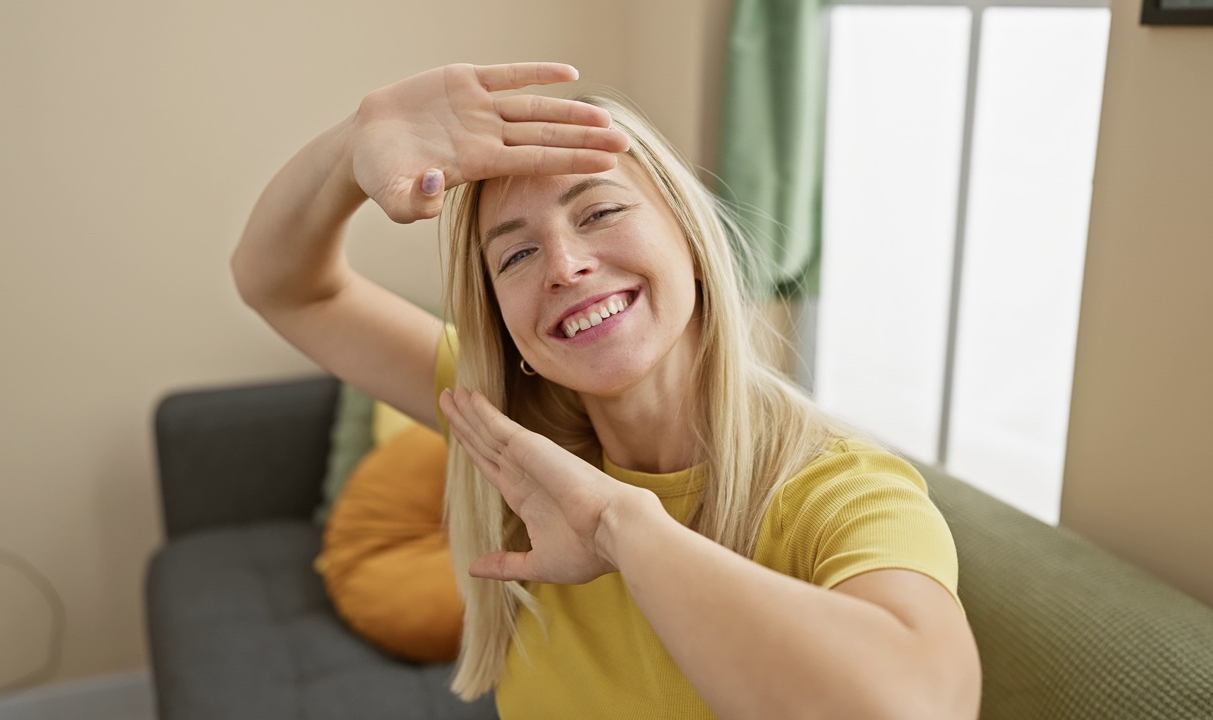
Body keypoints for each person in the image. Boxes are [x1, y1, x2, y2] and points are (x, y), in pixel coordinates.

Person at [232, 62, 981, 719]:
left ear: (689, 243)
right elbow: (282, 285)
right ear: (502, 318)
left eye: (600, 212)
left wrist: (621, 525)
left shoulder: (843, 490)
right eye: (517, 254)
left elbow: (916, 707)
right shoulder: (509, 421)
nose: (563, 265)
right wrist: (363, 133)